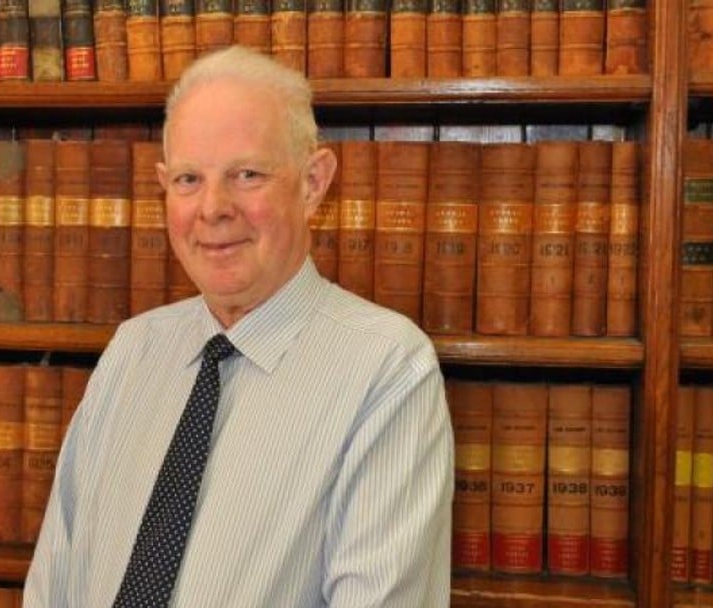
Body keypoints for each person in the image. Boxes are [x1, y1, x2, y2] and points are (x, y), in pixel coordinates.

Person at [24, 45, 453, 607]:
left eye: (246, 174)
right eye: (188, 179)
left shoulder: (387, 369)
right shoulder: (133, 351)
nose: (213, 208)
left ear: (313, 183)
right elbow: (52, 587)